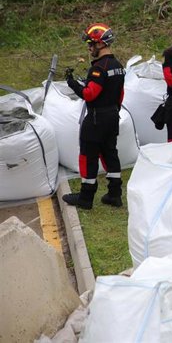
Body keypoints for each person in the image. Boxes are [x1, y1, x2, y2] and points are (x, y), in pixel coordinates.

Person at [63, 23, 125, 209]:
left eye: (91, 44)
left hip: (97, 118)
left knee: (88, 156)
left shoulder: (99, 68)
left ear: (101, 44)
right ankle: (115, 194)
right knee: (110, 153)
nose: (89, 48)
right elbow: (120, 94)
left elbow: (89, 94)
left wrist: (72, 83)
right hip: (113, 115)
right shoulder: (118, 66)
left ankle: (85, 198)